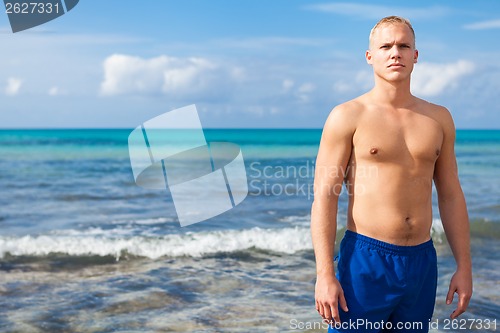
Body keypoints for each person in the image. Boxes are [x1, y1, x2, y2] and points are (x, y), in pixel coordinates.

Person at [311, 16, 472, 332]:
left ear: (416, 55)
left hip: (422, 262)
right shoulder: (347, 116)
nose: (395, 53)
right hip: (365, 260)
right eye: (385, 46)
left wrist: (464, 267)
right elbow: (324, 197)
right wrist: (324, 274)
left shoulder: (439, 119)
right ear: (370, 56)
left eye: (403, 45)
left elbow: (451, 194)